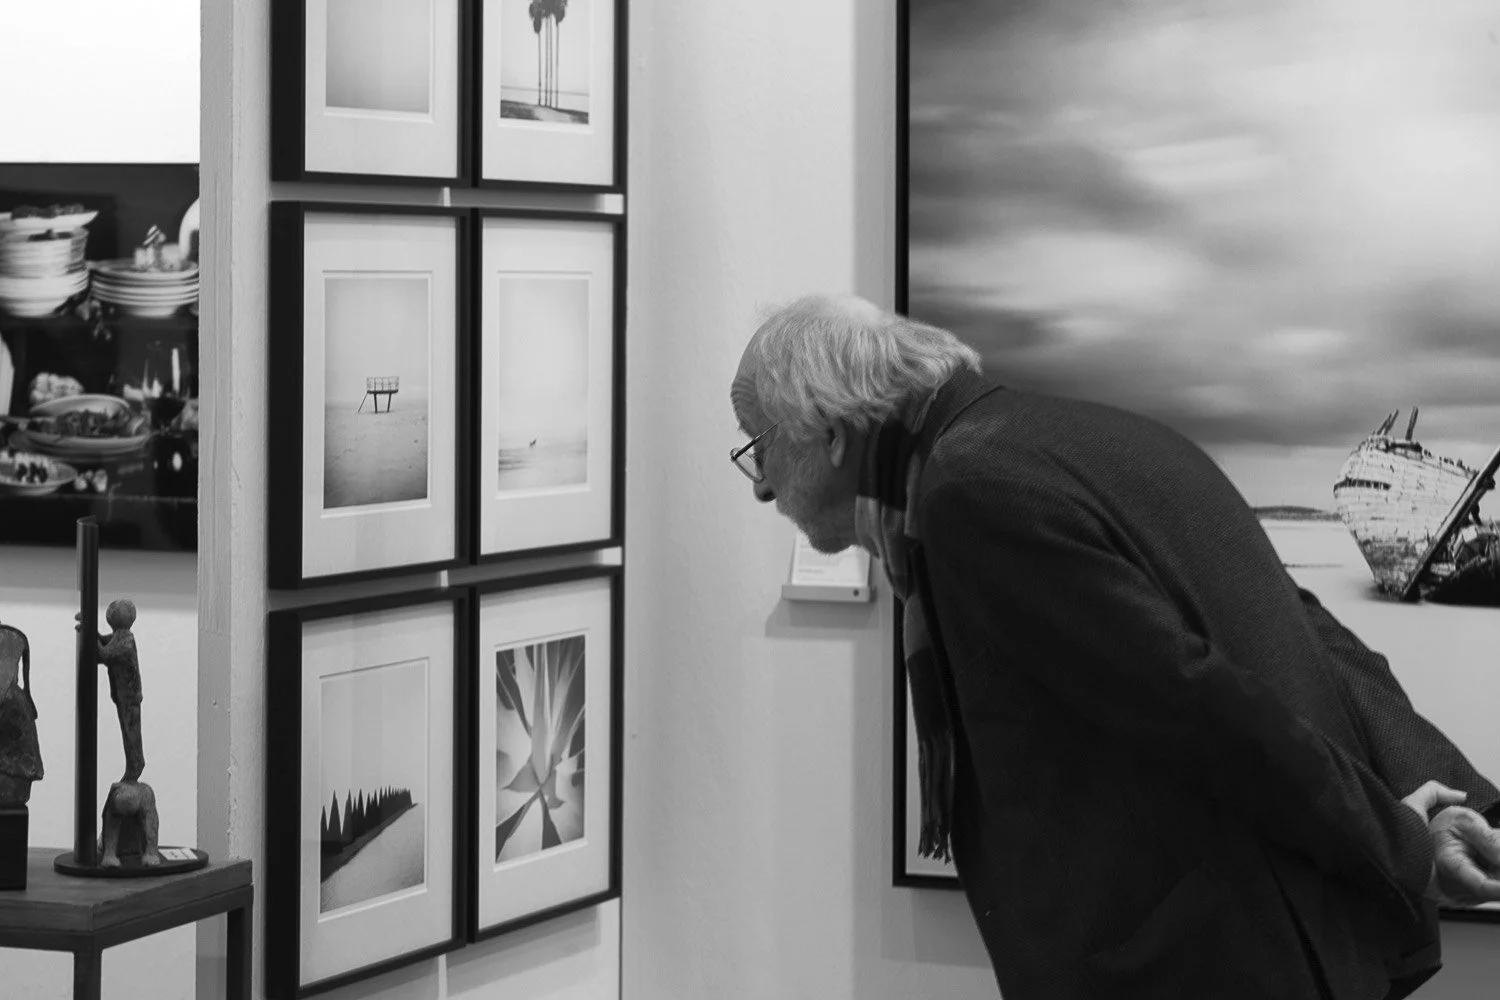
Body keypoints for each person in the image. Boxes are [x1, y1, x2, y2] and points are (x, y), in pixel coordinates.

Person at [729, 293, 1500, 1000]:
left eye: (756, 446)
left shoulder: (968, 490)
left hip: (1200, 970)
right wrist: (1461, 802)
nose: (761, 485)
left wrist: (1404, 847)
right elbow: (1310, 634)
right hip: (1292, 951)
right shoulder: (1100, 435)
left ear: (828, 432)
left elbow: (1200, 706)